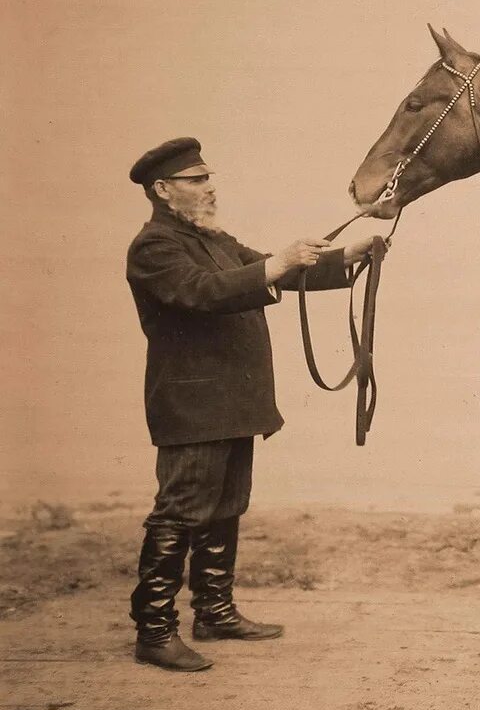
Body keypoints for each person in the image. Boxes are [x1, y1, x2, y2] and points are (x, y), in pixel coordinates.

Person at [124, 137, 381, 671]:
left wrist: (345, 257)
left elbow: (270, 267)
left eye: (207, 176)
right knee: (180, 513)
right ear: (163, 190)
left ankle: (215, 612)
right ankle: (154, 631)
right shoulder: (155, 247)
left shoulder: (212, 239)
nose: (209, 185)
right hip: (194, 408)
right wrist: (279, 262)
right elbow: (203, 292)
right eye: (196, 179)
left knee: (225, 507)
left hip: (234, 402)